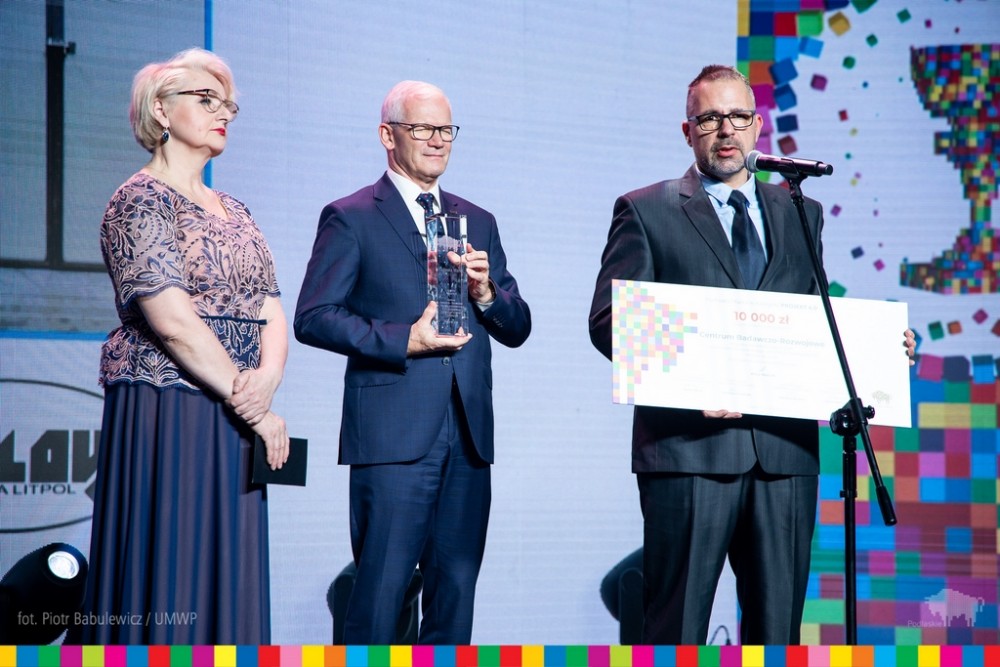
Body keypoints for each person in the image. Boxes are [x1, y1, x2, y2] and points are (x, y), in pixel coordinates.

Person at [589, 64, 915, 644]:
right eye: (710, 118)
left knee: (778, 632)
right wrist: (692, 384)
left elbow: (811, 319)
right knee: (676, 630)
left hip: (784, 454)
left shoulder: (800, 210)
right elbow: (611, 322)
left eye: (738, 116)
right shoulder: (647, 209)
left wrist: (881, 353)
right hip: (689, 451)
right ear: (687, 130)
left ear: (758, 126)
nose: (726, 130)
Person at [294, 80, 531, 645]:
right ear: (388, 135)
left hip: (467, 437)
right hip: (392, 435)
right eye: (422, 128)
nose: (437, 140)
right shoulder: (351, 216)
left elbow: (517, 325)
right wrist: (405, 340)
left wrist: (485, 294)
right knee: (381, 597)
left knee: (454, 598)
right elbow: (314, 316)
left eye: (445, 129)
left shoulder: (478, 220)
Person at [70, 48, 289, 645]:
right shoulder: (140, 200)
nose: (223, 113)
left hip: (235, 412)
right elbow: (172, 322)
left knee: (230, 574)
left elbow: (271, 310)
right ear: (161, 111)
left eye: (229, 105)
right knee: (173, 565)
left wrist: (265, 384)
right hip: (170, 410)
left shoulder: (236, 210)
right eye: (206, 99)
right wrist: (254, 405)